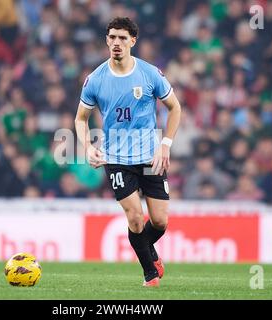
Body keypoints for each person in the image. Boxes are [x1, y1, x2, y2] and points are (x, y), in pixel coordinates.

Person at [74, 17, 182, 287]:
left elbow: (175, 107)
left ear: (133, 41)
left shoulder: (149, 74)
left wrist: (166, 144)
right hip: (117, 159)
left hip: (150, 158)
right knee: (135, 218)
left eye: (122, 38)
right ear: (106, 40)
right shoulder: (96, 80)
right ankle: (150, 276)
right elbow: (80, 119)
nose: (116, 43)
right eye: (112, 37)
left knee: (159, 221)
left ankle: (149, 251)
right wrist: (88, 148)